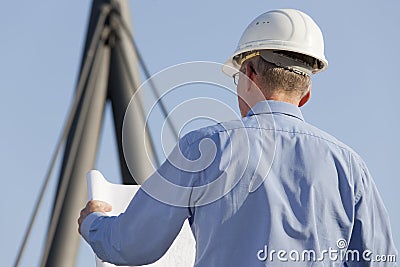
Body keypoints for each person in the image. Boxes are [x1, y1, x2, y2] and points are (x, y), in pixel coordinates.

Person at [78, 9, 398, 266]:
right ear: (306, 94)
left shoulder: (202, 148)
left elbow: (133, 245)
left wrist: (95, 223)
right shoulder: (350, 167)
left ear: (249, 75)